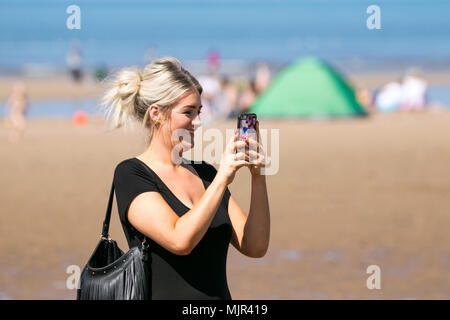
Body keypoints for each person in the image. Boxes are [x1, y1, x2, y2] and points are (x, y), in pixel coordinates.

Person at [101, 57, 270, 300]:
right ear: (156, 113)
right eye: (188, 112)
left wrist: (258, 178)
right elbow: (180, 240)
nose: (198, 121)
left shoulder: (206, 173)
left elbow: (255, 245)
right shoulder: (131, 174)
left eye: (199, 111)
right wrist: (222, 178)